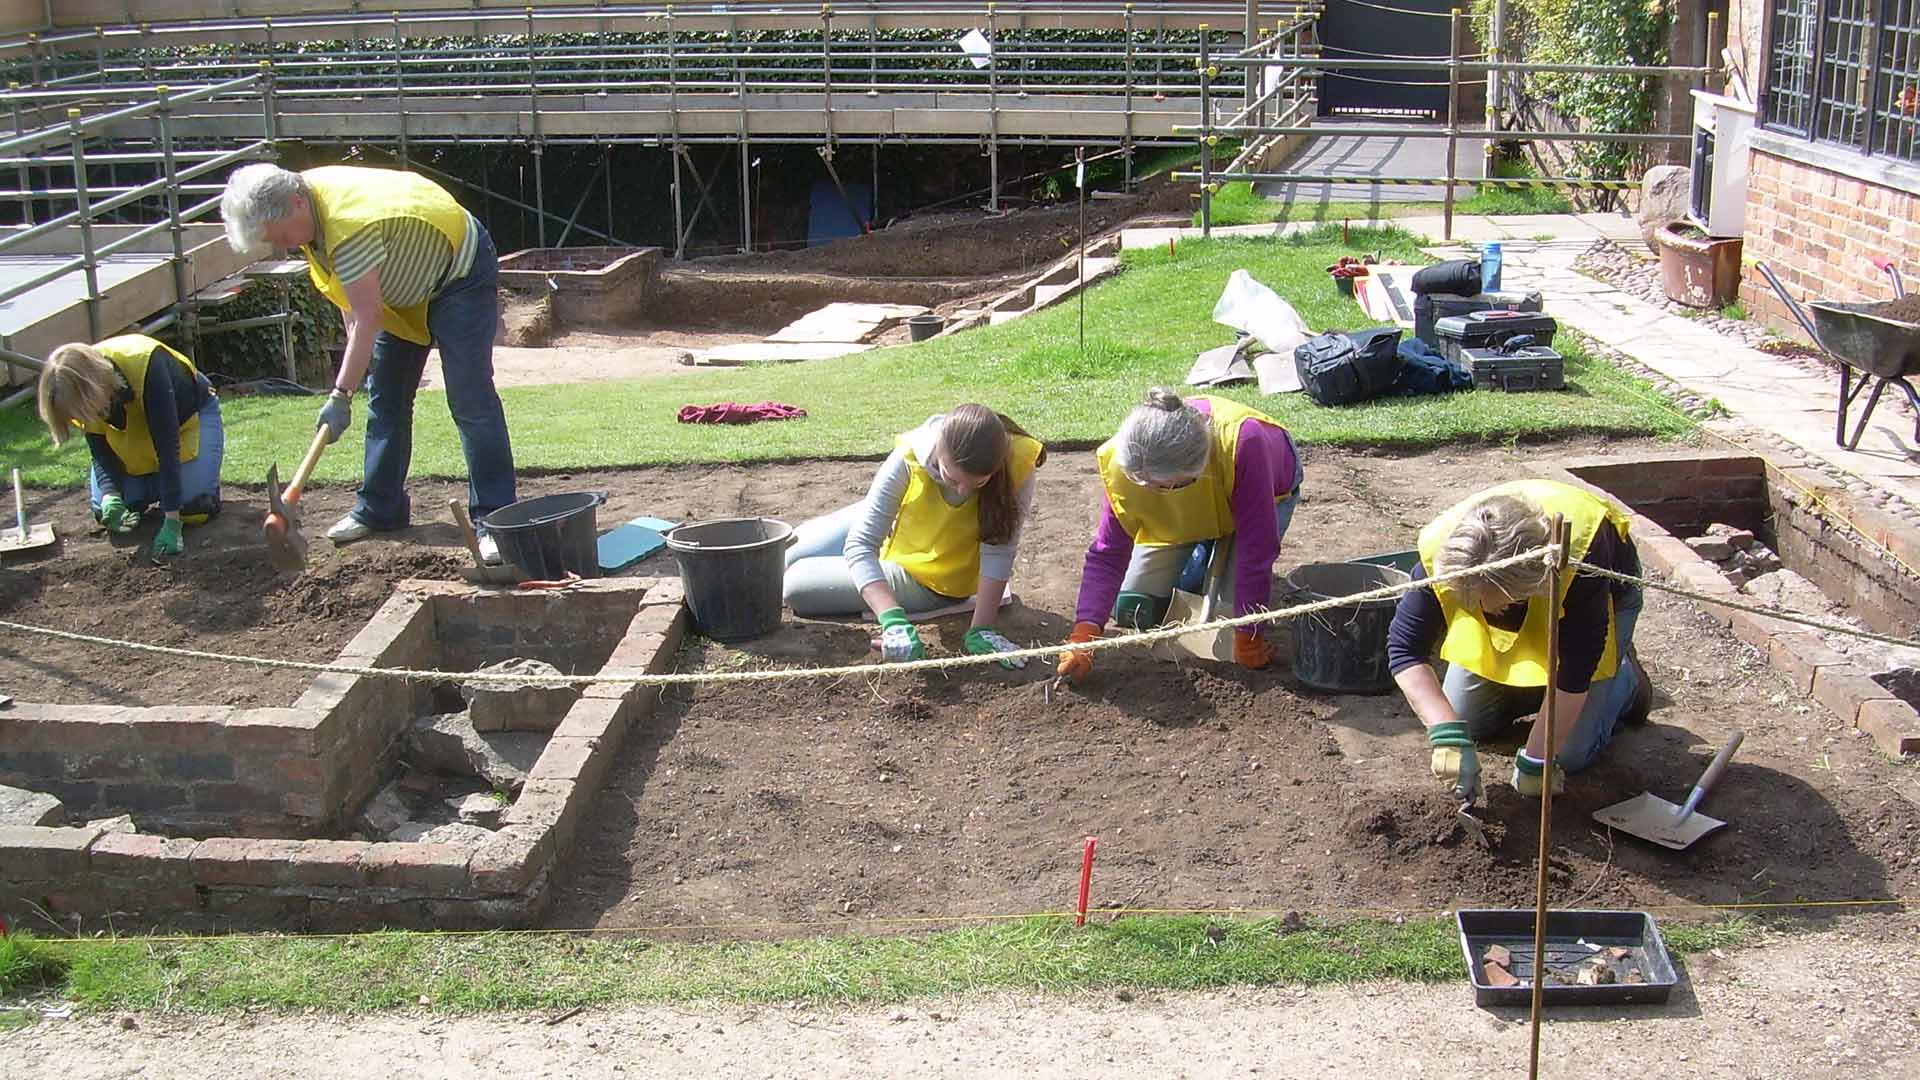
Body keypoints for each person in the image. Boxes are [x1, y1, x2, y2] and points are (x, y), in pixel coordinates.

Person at [219, 162, 515, 563]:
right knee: (386, 398)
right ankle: (380, 508)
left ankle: (495, 521)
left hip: (458, 273)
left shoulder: (347, 223)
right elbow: (353, 307)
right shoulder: (310, 215)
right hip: (403, 286)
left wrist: (340, 394)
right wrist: (350, 383)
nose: (287, 246)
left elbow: (369, 315)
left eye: (284, 235)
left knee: (470, 399)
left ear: (296, 203)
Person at [1387, 479, 1653, 803]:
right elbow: (1404, 649)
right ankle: (1535, 689)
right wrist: (1446, 734)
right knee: (1469, 722)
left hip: (1603, 605)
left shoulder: (1581, 559)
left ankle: (1625, 681)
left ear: (1528, 588)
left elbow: (1575, 671)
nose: (1482, 608)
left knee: (1569, 756)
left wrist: (1535, 761)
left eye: (1492, 600)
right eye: (1471, 599)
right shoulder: (1449, 556)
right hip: (1522, 604)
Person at [1055, 388, 1304, 682]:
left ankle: (1211, 551)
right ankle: (1202, 550)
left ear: (1199, 470)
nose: (1156, 492)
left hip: (1265, 488)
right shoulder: (1129, 457)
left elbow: (1257, 549)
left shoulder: (1243, 442)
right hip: (1190, 512)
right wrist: (1085, 634)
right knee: (1134, 606)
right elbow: (1108, 553)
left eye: (1170, 486)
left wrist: (1248, 635)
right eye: (1145, 484)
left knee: (1228, 617)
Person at [784, 405, 1046, 668]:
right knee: (786, 552)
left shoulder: (1016, 462)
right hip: (904, 524)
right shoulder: (912, 453)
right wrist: (893, 622)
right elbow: (861, 544)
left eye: (978, 484)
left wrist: (982, 628)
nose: (964, 491)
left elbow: (999, 550)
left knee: (794, 583)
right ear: (939, 451)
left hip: (931, 576)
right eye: (952, 479)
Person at [36, 335, 224, 559]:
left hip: (187, 420)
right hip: (135, 433)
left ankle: (171, 493)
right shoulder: (81, 394)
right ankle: (152, 489)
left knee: (193, 508)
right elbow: (100, 448)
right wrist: (110, 495)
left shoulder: (147, 364)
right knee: (105, 513)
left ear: (94, 391)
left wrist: (172, 520)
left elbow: (167, 446)